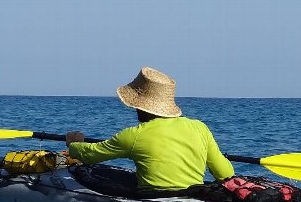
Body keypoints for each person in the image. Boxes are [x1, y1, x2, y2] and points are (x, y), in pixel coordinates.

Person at [65, 66, 235, 191]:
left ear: (140, 106)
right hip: (193, 197)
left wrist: (73, 145)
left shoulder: (134, 135)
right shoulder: (200, 128)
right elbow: (225, 173)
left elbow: (91, 155)